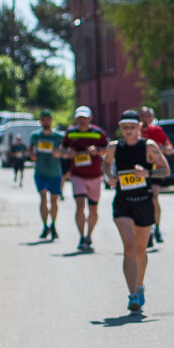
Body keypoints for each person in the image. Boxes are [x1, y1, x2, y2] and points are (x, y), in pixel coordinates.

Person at [102, 110, 170, 312]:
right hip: (123, 202)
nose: (128, 131)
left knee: (140, 250)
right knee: (129, 247)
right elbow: (105, 165)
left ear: (138, 128)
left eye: (132, 127)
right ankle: (132, 294)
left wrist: (147, 172)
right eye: (125, 128)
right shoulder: (115, 147)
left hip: (143, 201)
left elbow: (165, 170)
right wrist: (109, 177)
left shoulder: (148, 146)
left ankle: (139, 287)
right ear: (121, 128)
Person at [61, 105, 109, 251]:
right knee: (80, 204)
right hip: (77, 175)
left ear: (90, 118)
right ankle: (82, 237)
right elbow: (62, 149)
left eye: (85, 118)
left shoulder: (98, 132)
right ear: (76, 119)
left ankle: (89, 235)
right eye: (79, 118)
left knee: (93, 209)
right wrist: (69, 153)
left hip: (95, 176)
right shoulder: (70, 133)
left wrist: (97, 151)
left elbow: (107, 150)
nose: (82, 121)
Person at [139, 106, 173, 247]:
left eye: (148, 116)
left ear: (152, 118)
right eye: (143, 116)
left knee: (154, 196)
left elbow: (169, 148)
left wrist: (163, 150)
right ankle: (145, 227)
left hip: (156, 169)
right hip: (140, 170)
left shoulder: (157, 131)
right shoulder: (136, 130)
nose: (146, 119)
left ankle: (156, 227)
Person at [28, 109, 65, 240]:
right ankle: (45, 226)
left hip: (55, 173)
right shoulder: (35, 136)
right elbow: (30, 151)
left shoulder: (59, 136)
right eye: (43, 119)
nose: (45, 121)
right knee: (43, 197)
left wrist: (59, 153)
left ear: (52, 120)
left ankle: (53, 225)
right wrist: (32, 155)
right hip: (40, 172)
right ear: (40, 121)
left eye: (48, 119)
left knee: (54, 200)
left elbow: (66, 151)